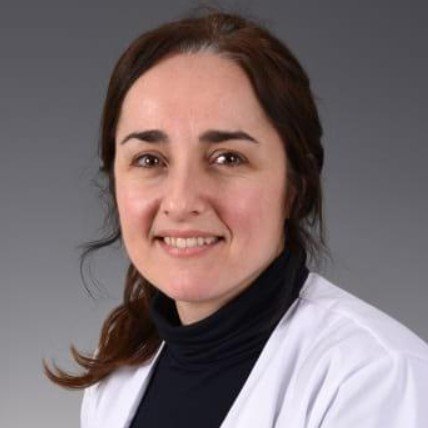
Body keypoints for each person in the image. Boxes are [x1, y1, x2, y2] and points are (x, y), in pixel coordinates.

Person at [43, 9, 428, 428]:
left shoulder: (376, 380)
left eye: (228, 158)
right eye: (150, 159)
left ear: (295, 185)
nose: (181, 202)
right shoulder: (117, 373)